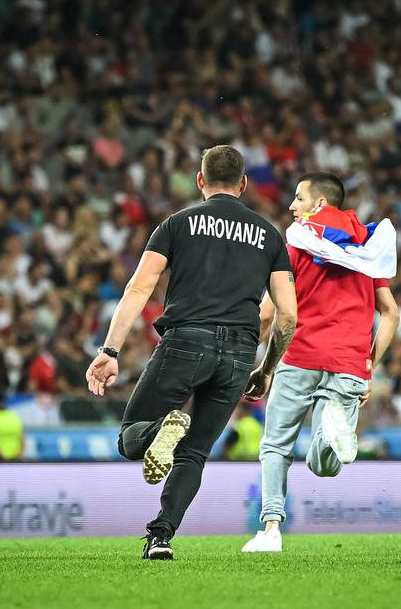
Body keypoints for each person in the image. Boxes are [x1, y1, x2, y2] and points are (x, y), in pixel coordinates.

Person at [86, 145, 297, 560]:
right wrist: (266, 368)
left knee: (131, 438)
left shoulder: (176, 224)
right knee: (195, 452)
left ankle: (160, 430)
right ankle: (161, 537)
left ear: (201, 180)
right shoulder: (270, 235)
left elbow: (139, 287)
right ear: (243, 183)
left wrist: (110, 350)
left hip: (187, 342)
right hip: (239, 354)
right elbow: (286, 315)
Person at [241, 172, 399, 553]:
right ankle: (329, 433)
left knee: (276, 444)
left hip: (300, 355)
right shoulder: (369, 245)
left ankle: (271, 530)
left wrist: (258, 364)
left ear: (320, 204)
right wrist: (369, 365)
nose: (292, 206)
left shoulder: (295, 244)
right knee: (325, 466)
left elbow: (270, 314)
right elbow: (391, 314)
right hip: (350, 363)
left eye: (299, 198)